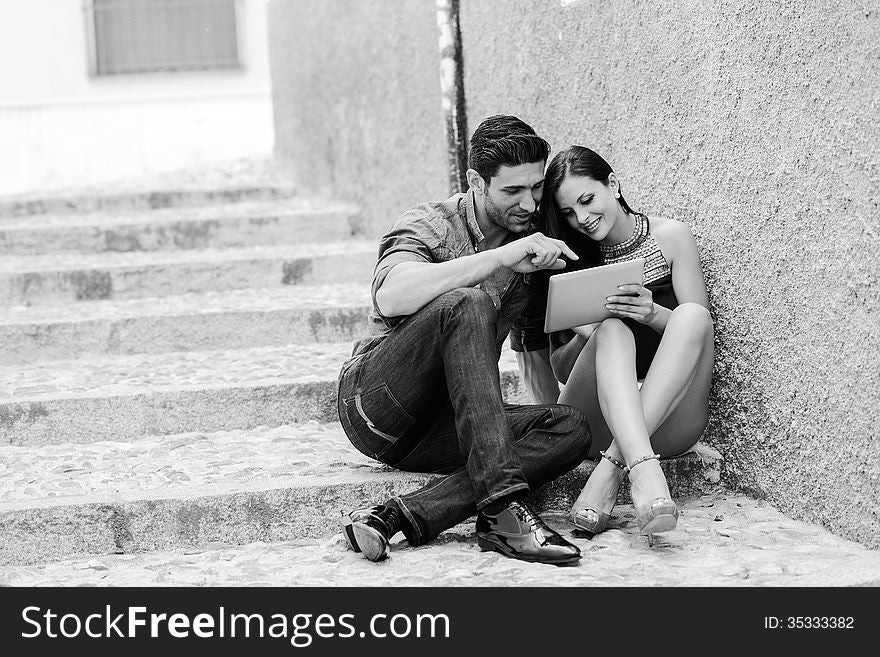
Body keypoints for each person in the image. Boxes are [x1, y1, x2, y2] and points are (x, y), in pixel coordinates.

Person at [336, 115, 592, 565]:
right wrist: (498, 258)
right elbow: (393, 296)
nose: (529, 204)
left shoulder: (533, 241)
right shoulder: (431, 223)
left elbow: (531, 351)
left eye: (535, 188)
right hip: (377, 404)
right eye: (511, 191)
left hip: (449, 423)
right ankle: (503, 515)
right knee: (467, 302)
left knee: (570, 427)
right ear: (476, 181)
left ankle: (398, 515)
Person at [536, 145, 714, 546]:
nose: (581, 219)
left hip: (669, 422)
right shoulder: (570, 257)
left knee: (693, 316)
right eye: (568, 212)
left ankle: (613, 469)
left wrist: (651, 314)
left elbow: (699, 335)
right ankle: (645, 474)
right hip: (593, 420)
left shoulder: (672, 237)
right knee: (613, 330)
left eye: (587, 200)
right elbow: (561, 369)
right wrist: (590, 331)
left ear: (612, 185)